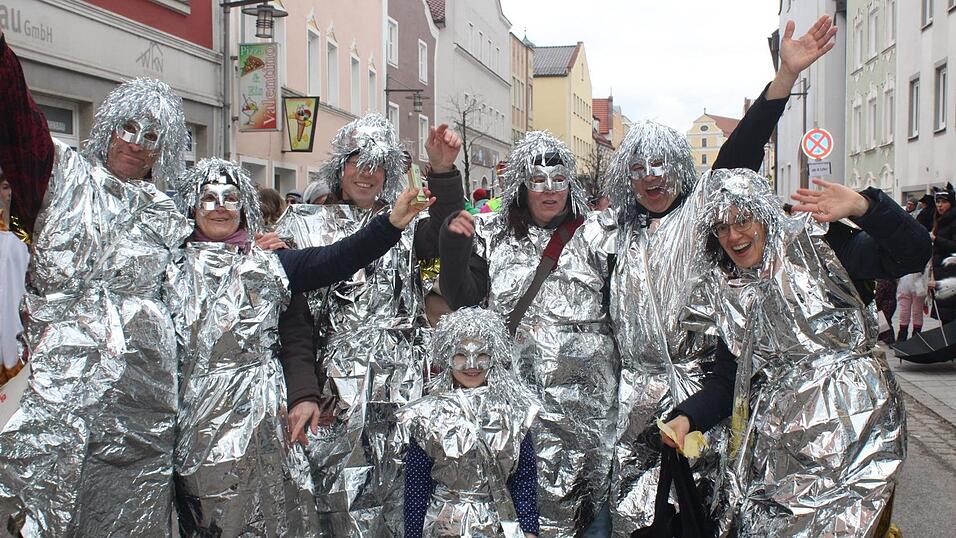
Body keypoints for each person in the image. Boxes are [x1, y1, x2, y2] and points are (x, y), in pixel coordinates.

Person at [589, 17, 840, 535]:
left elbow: (737, 156)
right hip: (634, 407)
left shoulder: (702, 215)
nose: (651, 178)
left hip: (703, 402)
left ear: (680, 168)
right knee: (637, 521)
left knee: (700, 518)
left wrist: (784, 80)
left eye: (661, 165)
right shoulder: (618, 234)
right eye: (638, 169)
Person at [168, 158, 432, 536]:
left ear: (244, 207)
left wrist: (391, 223)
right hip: (195, 418)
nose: (220, 207)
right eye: (209, 198)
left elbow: (335, 260)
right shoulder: (170, 267)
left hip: (264, 414)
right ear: (192, 207)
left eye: (231, 198)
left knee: (272, 514)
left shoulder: (269, 263)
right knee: (206, 519)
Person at [0, 30, 192, 535]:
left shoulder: (169, 216)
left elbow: (196, 296)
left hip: (142, 396)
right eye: (129, 127)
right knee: (44, 503)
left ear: (162, 152)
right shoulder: (63, 176)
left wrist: (254, 250)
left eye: (151, 136)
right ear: (109, 128)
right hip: (61, 382)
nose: (136, 142)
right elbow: (17, 120)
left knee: (130, 513)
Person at [663, 168, 926, 536]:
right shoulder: (732, 289)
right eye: (722, 227)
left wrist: (864, 207)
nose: (733, 235)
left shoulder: (820, 245)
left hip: (852, 435)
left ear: (764, 215)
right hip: (783, 449)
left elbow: (913, 254)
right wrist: (687, 418)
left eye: (742, 220)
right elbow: (728, 381)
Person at [274, 114, 464, 536]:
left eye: (377, 164)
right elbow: (292, 319)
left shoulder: (407, 221)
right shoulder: (301, 224)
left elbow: (448, 234)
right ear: (339, 167)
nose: (366, 173)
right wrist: (303, 389)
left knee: (400, 502)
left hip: (400, 392)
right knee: (334, 506)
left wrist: (443, 171)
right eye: (357, 162)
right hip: (330, 396)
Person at [440, 131, 615, 538]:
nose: (550, 190)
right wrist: (453, 243)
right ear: (521, 185)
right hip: (517, 410)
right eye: (538, 180)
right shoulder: (493, 234)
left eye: (559, 179)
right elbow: (462, 298)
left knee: (591, 511)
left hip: (587, 413)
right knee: (522, 511)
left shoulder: (598, 234)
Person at [398, 307, 540, 538]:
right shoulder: (427, 415)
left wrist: (529, 530)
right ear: (447, 357)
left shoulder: (514, 413)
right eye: (461, 355)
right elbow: (417, 486)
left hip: (497, 526)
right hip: (443, 527)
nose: (471, 364)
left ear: (493, 356)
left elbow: (524, 478)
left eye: (481, 354)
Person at [930, 184, 956, 324]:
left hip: (951, 277)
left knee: (949, 319)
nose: (939, 205)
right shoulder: (940, 221)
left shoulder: (953, 221)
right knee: (946, 320)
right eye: (938, 201)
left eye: (944, 202)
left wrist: (936, 239)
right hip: (943, 276)